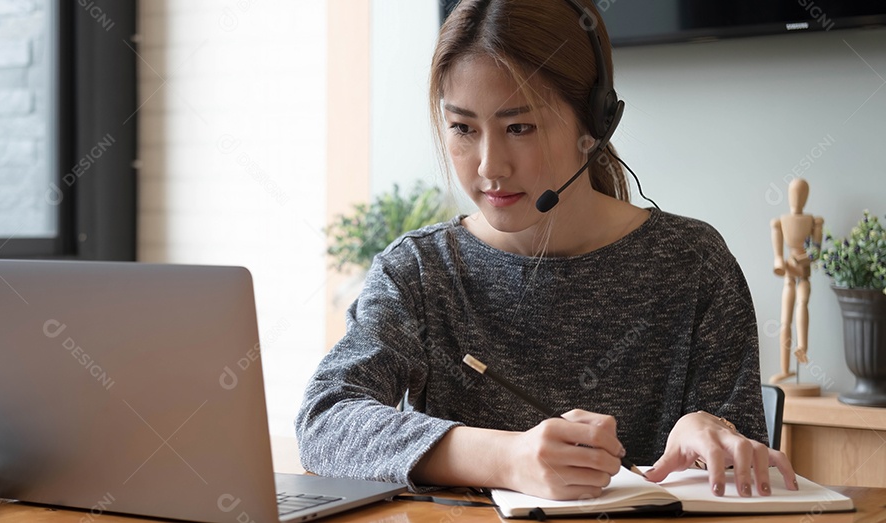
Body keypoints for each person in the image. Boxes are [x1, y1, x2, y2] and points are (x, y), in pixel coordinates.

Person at [296, 0, 796, 502]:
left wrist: (706, 431)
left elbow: (745, 461)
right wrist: (507, 458)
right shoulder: (419, 272)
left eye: (519, 128)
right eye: (463, 128)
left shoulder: (693, 264)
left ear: (594, 124)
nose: (490, 166)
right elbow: (324, 420)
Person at [769, 178, 823, 384]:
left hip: (803, 274)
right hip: (789, 276)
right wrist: (780, 260)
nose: (797, 197)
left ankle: (802, 347)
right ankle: (785, 369)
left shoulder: (814, 221)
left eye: (801, 193)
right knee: (784, 321)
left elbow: (815, 252)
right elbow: (778, 255)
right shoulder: (780, 221)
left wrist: (799, 258)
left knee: (802, 303)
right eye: (794, 192)